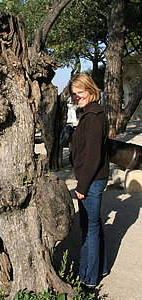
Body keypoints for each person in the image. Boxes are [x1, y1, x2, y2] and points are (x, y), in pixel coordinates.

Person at [69, 73, 109, 289]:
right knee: (94, 226)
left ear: (91, 89)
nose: (77, 97)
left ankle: (88, 279)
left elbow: (93, 157)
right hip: (94, 179)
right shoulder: (91, 113)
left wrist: (82, 186)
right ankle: (100, 267)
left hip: (91, 182)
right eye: (74, 94)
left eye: (80, 92)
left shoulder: (93, 117)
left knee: (89, 230)